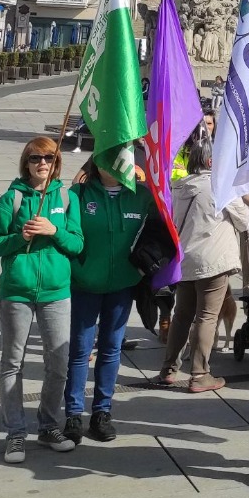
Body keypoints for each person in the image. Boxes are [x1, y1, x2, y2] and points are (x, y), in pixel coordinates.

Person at [0, 136, 83, 464]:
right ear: (26, 163)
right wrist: (18, 237)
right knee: (12, 363)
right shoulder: (10, 199)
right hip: (17, 293)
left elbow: (78, 245)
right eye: (36, 158)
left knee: (58, 364)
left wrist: (54, 231)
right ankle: (15, 433)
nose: (43, 163)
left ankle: (48, 425)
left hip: (56, 292)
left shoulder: (67, 199)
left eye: (50, 158)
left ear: (57, 164)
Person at [64, 154, 153, 444]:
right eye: (105, 158)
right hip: (86, 284)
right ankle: (73, 414)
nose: (111, 164)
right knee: (80, 350)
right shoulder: (79, 193)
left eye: (117, 157)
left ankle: (102, 412)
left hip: (122, 286)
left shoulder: (141, 196)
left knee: (111, 350)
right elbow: (70, 235)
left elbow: (161, 233)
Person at [159, 140, 242, 393]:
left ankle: (169, 369)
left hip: (186, 260)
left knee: (182, 314)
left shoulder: (180, 187)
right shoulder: (219, 187)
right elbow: (242, 219)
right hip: (213, 261)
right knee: (206, 316)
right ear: (210, 162)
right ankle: (199, 374)